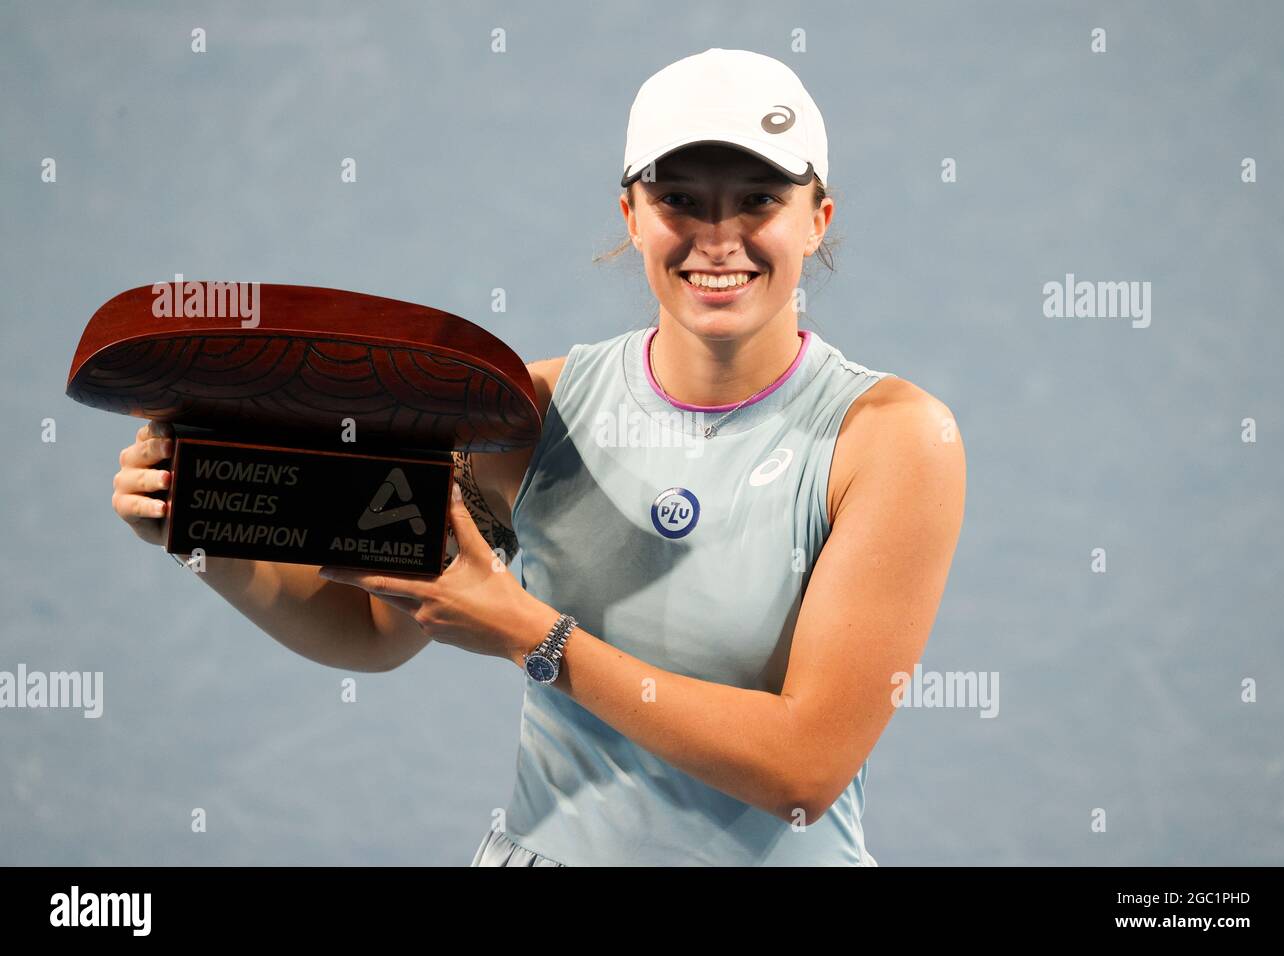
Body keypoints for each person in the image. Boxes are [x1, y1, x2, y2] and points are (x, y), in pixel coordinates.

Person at [111, 48, 965, 867]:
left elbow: (803, 771)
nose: (718, 238)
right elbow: (371, 630)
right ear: (631, 216)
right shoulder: (524, 411)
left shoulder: (891, 439)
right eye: (680, 200)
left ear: (817, 220)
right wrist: (200, 530)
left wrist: (532, 635)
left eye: (757, 201)